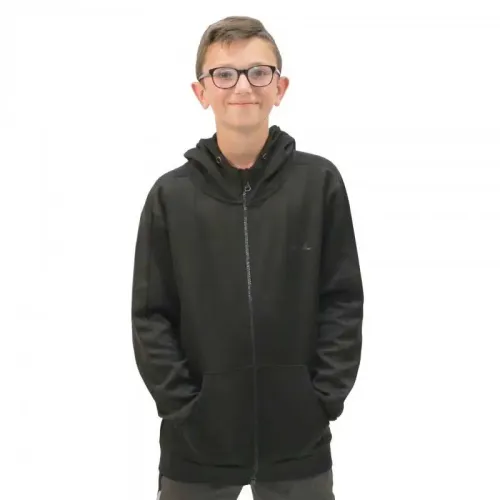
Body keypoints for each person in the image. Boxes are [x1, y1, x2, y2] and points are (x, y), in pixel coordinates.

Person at [131, 15, 364, 500]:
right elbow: (151, 315)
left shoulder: (319, 184)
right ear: (201, 92)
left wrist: (321, 399)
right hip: (196, 445)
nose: (243, 86)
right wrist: (184, 409)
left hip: (298, 441)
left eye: (259, 72)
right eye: (224, 74)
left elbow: (342, 300)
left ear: (280, 87)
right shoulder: (171, 196)